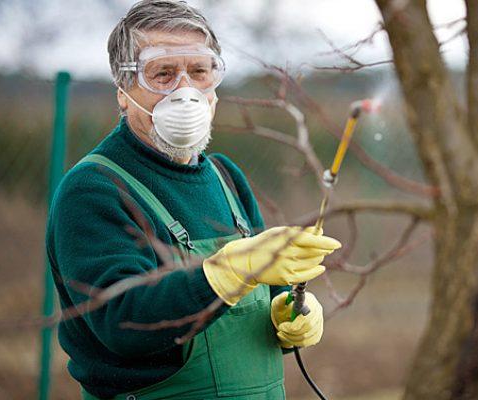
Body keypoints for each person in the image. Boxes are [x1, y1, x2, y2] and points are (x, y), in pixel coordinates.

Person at [44, 1, 341, 399]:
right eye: (162, 74)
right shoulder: (94, 189)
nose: (185, 91)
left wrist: (288, 313)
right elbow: (123, 322)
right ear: (123, 92)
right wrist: (228, 272)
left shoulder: (225, 178)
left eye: (200, 72)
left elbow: (265, 294)